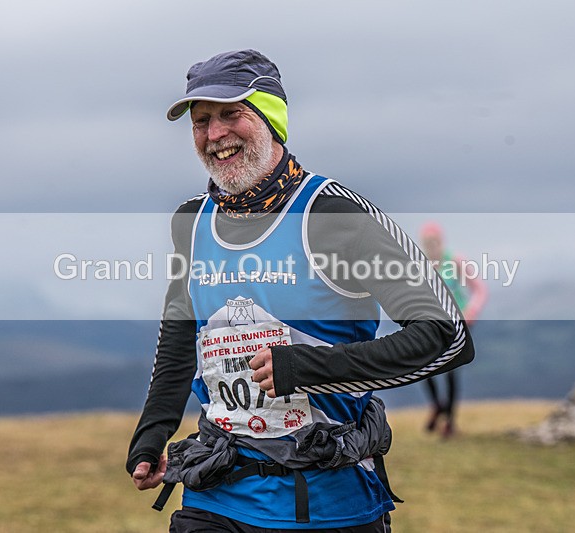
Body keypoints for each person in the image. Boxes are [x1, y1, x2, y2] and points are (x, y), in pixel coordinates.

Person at [126, 49, 475, 532]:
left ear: (271, 118)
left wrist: (308, 369)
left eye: (231, 114)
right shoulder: (192, 220)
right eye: (201, 121)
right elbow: (182, 334)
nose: (214, 134)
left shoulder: (333, 214)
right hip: (216, 493)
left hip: (327, 503)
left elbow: (445, 335)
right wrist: (153, 432)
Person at [418, 222, 487, 438]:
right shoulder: (421, 264)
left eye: (434, 241)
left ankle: (449, 422)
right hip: (434, 323)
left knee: (450, 369)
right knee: (423, 365)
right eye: (427, 243)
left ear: (441, 241)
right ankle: (437, 405)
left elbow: (480, 289)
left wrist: (470, 312)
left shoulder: (455, 260)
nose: (431, 246)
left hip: (458, 322)